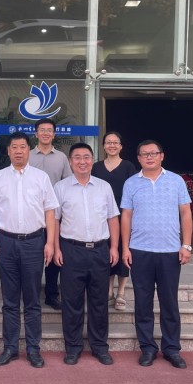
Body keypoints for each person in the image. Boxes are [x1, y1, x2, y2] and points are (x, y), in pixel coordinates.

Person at [121, 140, 193, 370]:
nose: (149, 157)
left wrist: (186, 245)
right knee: (142, 302)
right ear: (138, 158)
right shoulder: (131, 183)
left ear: (162, 156)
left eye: (153, 153)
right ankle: (148, 348)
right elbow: (126, 216)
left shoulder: (176, 181)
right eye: (144, 154)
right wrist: (125, 247)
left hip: (170, 251)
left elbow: (186, 213)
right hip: (139, 250)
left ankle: (172, 349)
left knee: (169, 302)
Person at [0, 132, 58, 369]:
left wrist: (50, 243)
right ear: (8, 151)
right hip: (6, 242)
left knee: (32, 299)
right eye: (14, 147)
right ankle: (10, 348)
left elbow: (50, 211)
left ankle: (33, 349)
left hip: (34, 242)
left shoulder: (41, 177)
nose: (18, 151)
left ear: (29, 150)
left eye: (22, 147)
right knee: (9, 300)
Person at [54, 143, 119, 366]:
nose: (82, 161)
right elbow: (54, 220)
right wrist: (56, 248)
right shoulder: (61, 188)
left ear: (92, 160)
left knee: (99, 301)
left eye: (86, 157)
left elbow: (112, 218)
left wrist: (114, 247)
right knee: (71, 302)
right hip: (71, 250)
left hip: (100, 250)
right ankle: (73, 347)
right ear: (70, 162)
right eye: (77, 157)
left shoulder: (104, 187)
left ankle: (100, 347)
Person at [28, 118, 71, 311]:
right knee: (33, 257)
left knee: (53, 256)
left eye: (49, 130)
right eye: (42, 130)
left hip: (56, 215)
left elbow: (68, 184)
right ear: (36, 133)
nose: (45, 133)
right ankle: (31, 293)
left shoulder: (61, 158)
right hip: (32, 215)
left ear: (54, 134)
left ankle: (52, 294)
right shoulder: (28, 156)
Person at [91, 131, 137, 309]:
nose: (112, 145)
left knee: (123, 251)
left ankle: (121, 292)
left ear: (121, 146)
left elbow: (133, 192)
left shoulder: (128, 167)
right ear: (103, 146)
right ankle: (109, 290)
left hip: (124, 215)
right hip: (101, 217)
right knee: (107, 252)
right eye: (108, 142)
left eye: (115, 142)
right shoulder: (96, 167)